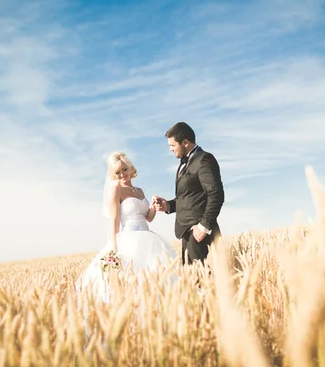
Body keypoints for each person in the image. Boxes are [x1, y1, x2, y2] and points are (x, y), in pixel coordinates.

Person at [76, 151, 178, 302]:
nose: (122, 174)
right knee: (132, 280)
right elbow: (114, 220)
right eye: (117, 172)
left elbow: (148, 218)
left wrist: (154, 206)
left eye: (124, 169)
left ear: (130, 168)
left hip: (149, 238)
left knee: (155, 277)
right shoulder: (116, 190)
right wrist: (114, 248)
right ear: (113, 174)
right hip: (129, 239)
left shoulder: (139, 191)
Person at [152, 122, 225, 265]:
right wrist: (168, 206)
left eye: (173, 145)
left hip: (199, 233)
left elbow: (216, 193)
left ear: (185, 142)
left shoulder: (204, 159)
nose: (170, 149)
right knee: (193, 282)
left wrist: (203, 226)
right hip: (187, 233)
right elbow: (188, 197)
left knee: (203, 282)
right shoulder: (184, 163)